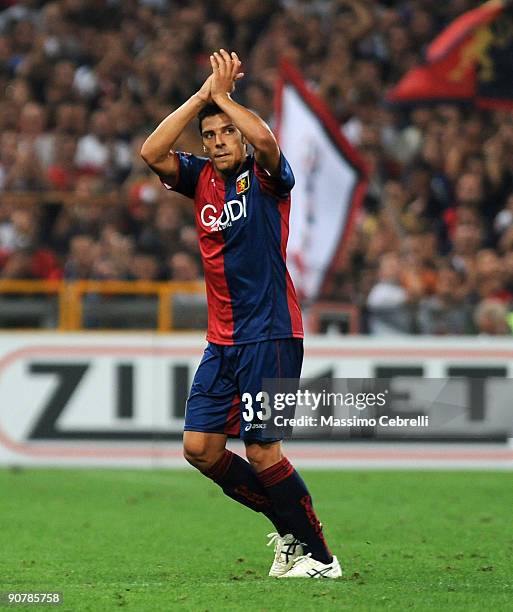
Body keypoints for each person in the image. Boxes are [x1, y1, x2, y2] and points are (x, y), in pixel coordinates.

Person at [141, 49, 341, 579]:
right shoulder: (199, 178)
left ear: (242, 136)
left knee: (263, 451)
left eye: (226, 133)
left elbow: (270, 142)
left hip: (271, 332)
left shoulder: (267, 176)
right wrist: (203, 99)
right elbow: (151, 150)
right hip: (222, 339)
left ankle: (320, 558)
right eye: (210, 136)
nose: (218, 141)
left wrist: (226, 98)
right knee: (200, 448)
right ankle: (290, 531)